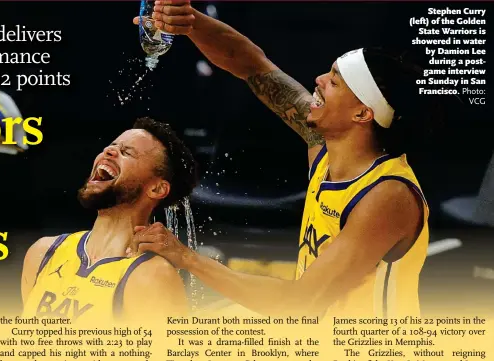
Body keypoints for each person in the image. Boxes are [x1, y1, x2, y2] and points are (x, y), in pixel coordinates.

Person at [130, 1, 429, 317]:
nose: (318, 79)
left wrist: (184, 256)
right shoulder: (326, 148)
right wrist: (191, 23)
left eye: (335, 81)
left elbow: (298, 302)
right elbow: (252, 65)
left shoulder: (387, 195)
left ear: (362, 113)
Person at [21, 117, 198, 323]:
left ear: (157, 189)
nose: (109, 151)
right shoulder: (43, 253)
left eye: (127, 152)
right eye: (111, 146)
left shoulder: (152, 276)